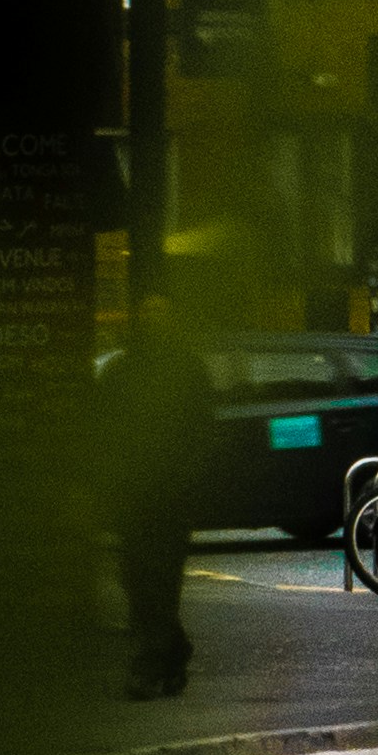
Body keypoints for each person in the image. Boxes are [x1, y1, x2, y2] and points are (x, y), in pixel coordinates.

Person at [102, 288, 213, 701]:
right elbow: (105, 431)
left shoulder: (186, 370)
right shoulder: (123, 371)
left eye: (160, 311)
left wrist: (187, 480)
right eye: (147, 311)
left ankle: (149, 664)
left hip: (170, 495)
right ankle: (173, 650)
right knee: (136, 578)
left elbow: (203, 432)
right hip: (136, 492)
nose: (153, 319)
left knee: (160, 582)